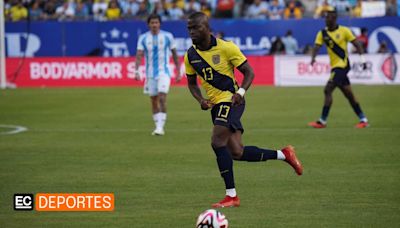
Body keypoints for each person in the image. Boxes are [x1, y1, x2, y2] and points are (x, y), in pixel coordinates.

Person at [184, 12, 303, 208]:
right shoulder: (191, 55)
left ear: (206, 28)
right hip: (216, 105)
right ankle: (284, 154)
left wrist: (240, 92)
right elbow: (191, 83)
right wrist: (200, 100)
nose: (191, 32)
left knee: (217, 141)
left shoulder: (226, 47)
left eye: (195, 28)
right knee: (236, 152)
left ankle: (231, 196)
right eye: (188, 28)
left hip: (231, 100)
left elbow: (249, 72)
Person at [309, 10, 369, 129]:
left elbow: (357, 44)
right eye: (326, 18)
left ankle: (322, 121)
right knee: (349, 95)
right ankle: (363, 119)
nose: (326, 20)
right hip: (335, 66)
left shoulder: (344, 31)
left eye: (329, 18)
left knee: (328, 89)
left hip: (343, 65)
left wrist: (362, 60)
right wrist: (313, 58)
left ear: (335, 19)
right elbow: (316, 46)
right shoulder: (322, 33)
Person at [135, 14, 181, 136]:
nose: (154, 25)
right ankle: (157, 126)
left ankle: (160, 127)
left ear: (160, 24)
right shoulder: (143, 38)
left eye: (156, 22)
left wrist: (178, 71)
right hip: (150, 74)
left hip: (164, 73)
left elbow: (175, 54)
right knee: (154, 100)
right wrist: (136, 71)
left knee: (162, 97)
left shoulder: (167, 36)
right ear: (148, 24)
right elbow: (139, 55)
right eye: (152, 23)